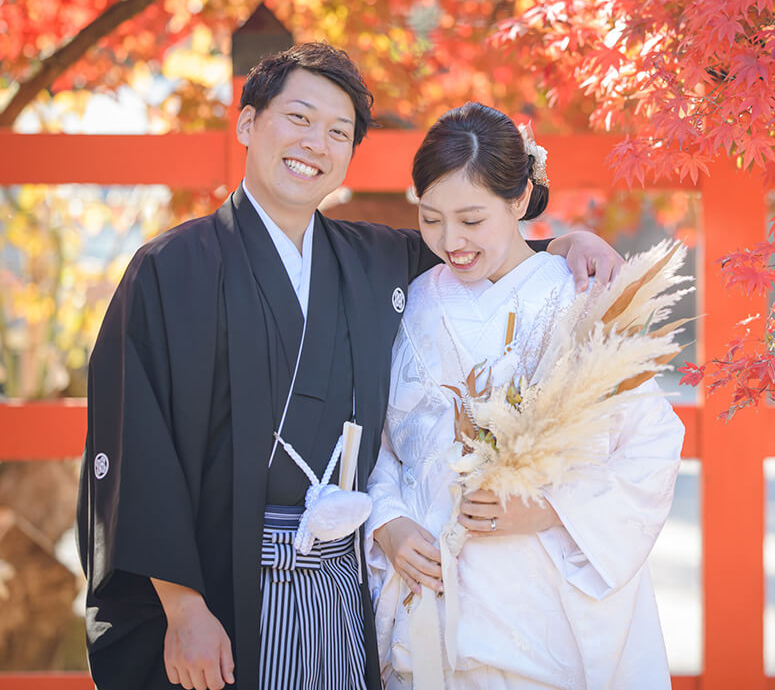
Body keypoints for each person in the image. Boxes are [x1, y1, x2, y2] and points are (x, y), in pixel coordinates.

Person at [76, 43, 620, 690]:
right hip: (221, 582)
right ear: (248, 124)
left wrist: (567, 242)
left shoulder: (372, 260)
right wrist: (183, 607)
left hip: (340, 582)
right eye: (299, 118)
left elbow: (487, 252)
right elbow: (136, 444)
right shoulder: (171, 268)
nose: (317, 143)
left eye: (339, 132)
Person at [366, 102, 684, 689]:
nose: (450, 240)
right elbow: (387, 443)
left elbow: (651, 443)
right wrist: (389, 521)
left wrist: (546, 509)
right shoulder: (414, 303)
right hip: (433, 595)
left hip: (545, 604)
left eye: (471, 219)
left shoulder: (578, 296)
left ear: (519, 201)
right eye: (431, 219)